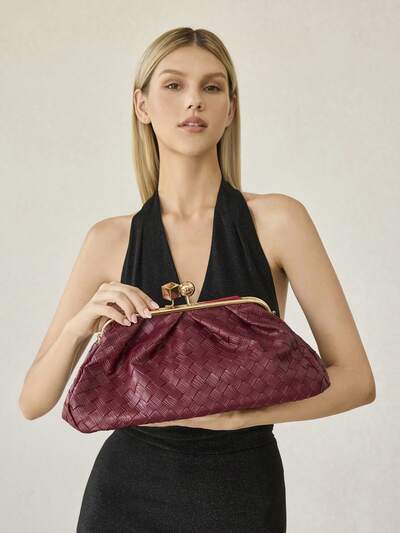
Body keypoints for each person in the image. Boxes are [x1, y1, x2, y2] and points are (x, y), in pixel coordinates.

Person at [18, 27, 376, 533]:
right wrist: (82, 325)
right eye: (173, 85)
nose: (194, 101)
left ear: (230, 109)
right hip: (126, 492)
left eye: (212, 87)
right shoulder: (109, 239)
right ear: (141, 105)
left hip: (243, 490)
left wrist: (239, 416)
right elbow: (33, 402)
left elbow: (357, 381)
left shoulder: (279, 221)